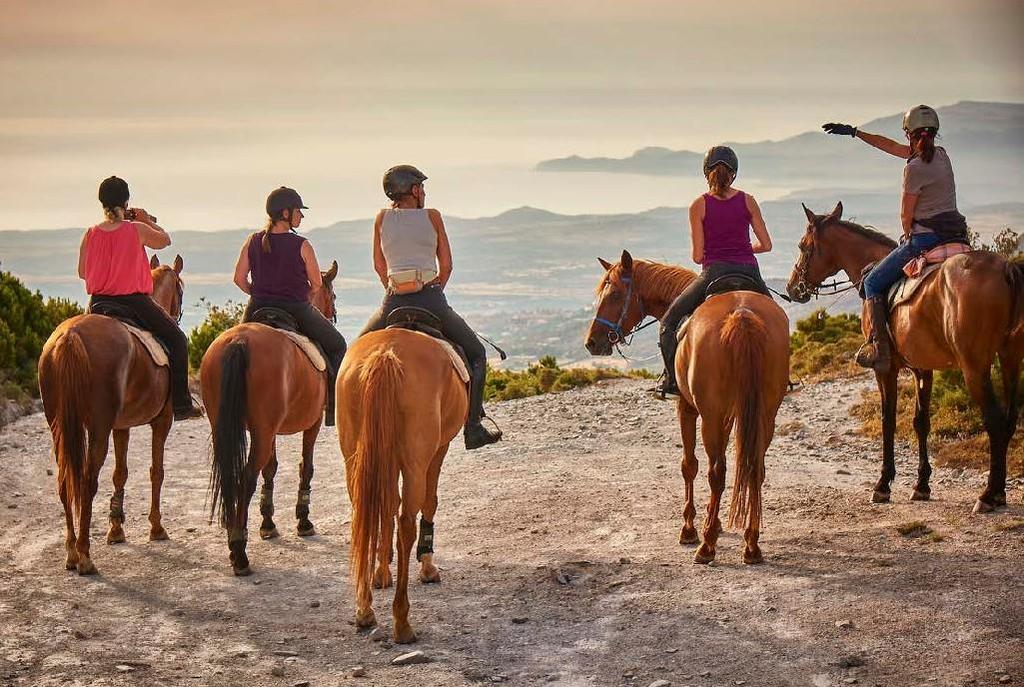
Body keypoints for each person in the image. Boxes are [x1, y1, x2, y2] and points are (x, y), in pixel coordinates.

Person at [359, 165, 502, 450]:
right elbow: (446, 265)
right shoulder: (433, 216)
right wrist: (434, 290)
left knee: (355, 353)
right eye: (421, 187)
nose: (423, 191)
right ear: (413, 190)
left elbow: (378, 264)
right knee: (477, 354)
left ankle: (348, 415)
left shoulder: (380, 218)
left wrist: (393, 290)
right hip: (430, 299)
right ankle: (472, 427)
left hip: (393, 301)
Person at [823, 105, 967, 373]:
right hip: (957, 235)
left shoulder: (913, 168)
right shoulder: (944, 156)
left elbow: (905, 215)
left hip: (926, 240)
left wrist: (908, 235)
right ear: (934, 134)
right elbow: (889, 146)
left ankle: (880, 349)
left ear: (909, 135)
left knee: (872, 281)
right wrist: (856, 133)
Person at [78, 176, 203, 420]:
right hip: (133, 302)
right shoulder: (136, 229)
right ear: (126, 202)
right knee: (178, 340)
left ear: (102, 202)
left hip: (98, 303)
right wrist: (146, 219)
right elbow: (165, 241)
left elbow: (83, 272)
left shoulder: (90, 234)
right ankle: (181, 405)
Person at [656, 146, 773, 397]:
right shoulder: (748, 200)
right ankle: (784, 378)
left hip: (714, 273)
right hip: (749, 272)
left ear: (706, 173)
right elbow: (766, 245)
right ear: (734, 174)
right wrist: (742, 249)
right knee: (777, 321)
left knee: (668, 323)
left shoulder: (698, 205)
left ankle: (672, 383)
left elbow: (698, 256)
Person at [232, 187, 347, 426]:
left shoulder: (252, 242)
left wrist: (259, 293)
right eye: (298, 212)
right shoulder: (302, 245)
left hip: (257, 307)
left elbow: (239, 279)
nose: (301, 217)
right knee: (338, 346)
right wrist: (299, 295)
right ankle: (333, 409)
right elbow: (316, 284)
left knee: (234, 349)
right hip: (295, 307)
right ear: (285, 213)